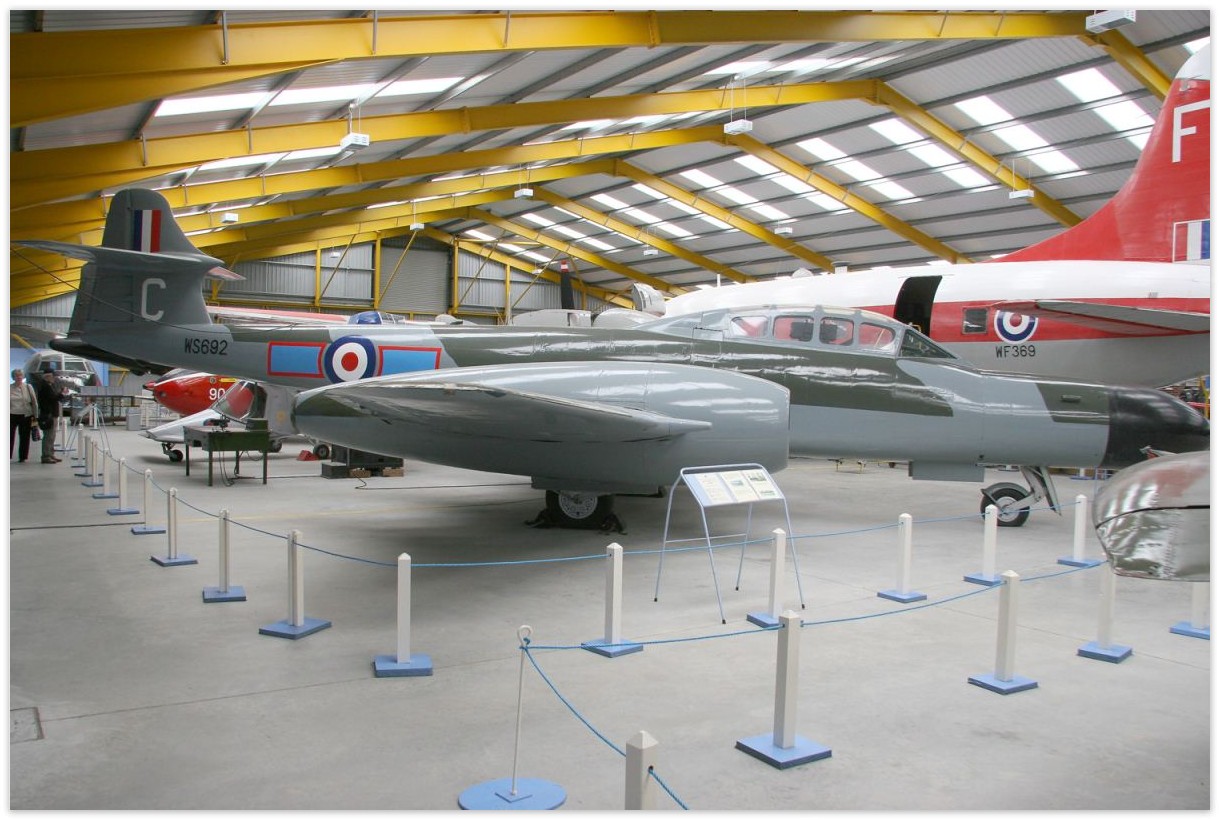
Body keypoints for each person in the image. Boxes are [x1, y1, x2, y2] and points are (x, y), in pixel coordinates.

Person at [34, 369, 66, 464]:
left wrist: (59, 393)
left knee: (52, 436)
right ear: (48, 377)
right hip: (48, 414)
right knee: (48, 436)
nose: (54, 378)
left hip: (51, 414)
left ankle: (50, 454)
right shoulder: (45, 386)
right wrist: (62, 394)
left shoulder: (48, 385)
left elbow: (52, 397)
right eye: (53, 376)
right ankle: (46, 456)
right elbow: (52, 399)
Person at [9, 369, 39, 463]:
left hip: (26, 415)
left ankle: (23, 456)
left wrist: (36, 416)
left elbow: (34, 402)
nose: (19, 377)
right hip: (11, 414)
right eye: (17, 375)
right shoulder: (9, 388)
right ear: (13, 377)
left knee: (24, 436)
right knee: (9, 436)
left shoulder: (28, 387)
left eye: (20, 375)